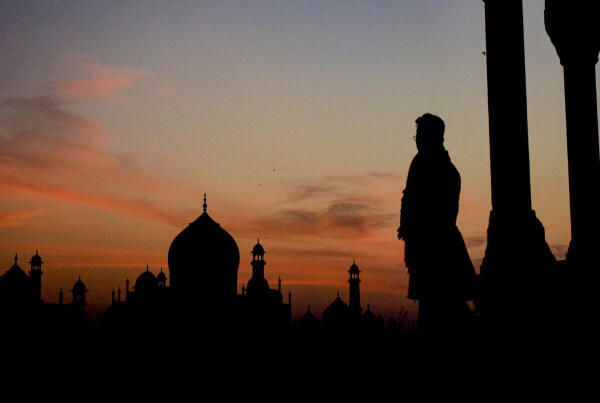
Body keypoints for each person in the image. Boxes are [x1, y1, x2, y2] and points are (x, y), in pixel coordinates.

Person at [397, 113, 477, 336]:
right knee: (434, 311)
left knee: (442, 311)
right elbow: (408, 197)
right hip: (425, 252)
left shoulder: (447, 173)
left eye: (421, 135)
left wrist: (413, 228)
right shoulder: (419, 163)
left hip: (440, 253)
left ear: (434, 137)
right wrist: (405, 226)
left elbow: (443, 217)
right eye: (416, 136)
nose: (417, 140)